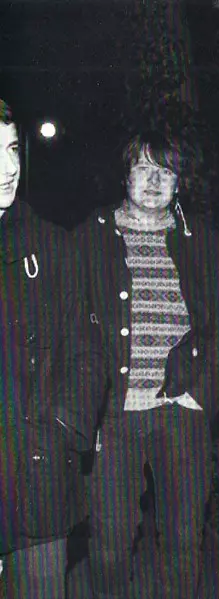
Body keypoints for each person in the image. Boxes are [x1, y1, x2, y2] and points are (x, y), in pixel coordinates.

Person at [75, 130, 219, 598]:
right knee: (109, 543)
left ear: (179, 182)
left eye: (165, 171)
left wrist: (200, 397)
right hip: (112, 417)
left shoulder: (204, 243)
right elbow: (68, 325)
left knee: (183, 540)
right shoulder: (89, 238)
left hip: (180, 415)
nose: (154, 181)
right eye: (143, 168)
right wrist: (86, 401)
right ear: (125, 175)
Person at [0, 97, 104, 598]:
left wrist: (60, 427)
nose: (8, 168)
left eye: (11, 149)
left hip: (35, 479)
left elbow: (87, 353)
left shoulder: (52, 246)